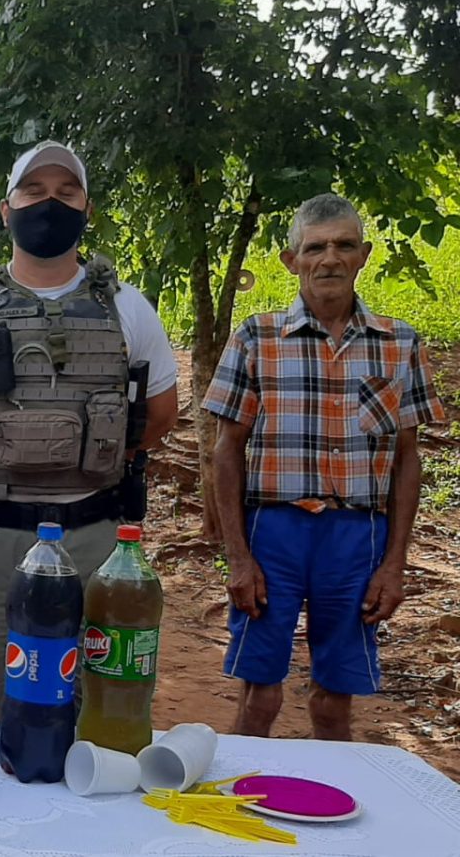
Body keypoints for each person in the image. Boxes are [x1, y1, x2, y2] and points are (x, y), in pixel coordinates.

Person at [0, 141, 179, 720]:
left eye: (66, 192)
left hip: (96, 533)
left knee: (93, 696)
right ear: (7, 210)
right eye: (34, 191)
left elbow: (162, 412)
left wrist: (101, 455)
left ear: (86, 210)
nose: (50, 204)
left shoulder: (128, 307)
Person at [203, 192, 445, 741]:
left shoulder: (398, 342)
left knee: (335, 700)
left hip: (356, 536)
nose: (329, 258)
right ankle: (235, 813)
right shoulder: (256, 337)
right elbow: (226, 451)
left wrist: (394, 564)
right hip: (274, 533)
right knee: (260, 695)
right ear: (292, 260)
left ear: (364, 255)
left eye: (344, 245)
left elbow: (409, 460)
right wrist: (238, 558)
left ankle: (331, 818)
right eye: (315, 247)